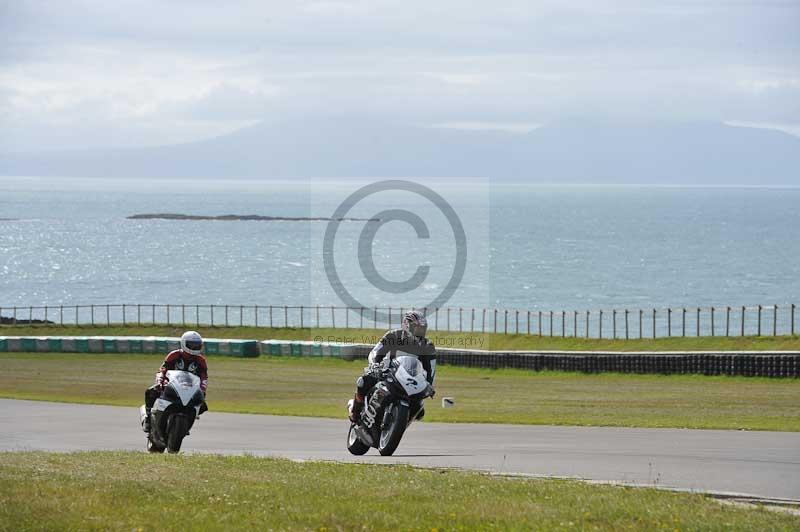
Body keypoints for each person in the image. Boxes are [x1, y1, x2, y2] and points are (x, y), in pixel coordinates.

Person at [349, 310, 436, 422]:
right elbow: (376, 352)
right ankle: (355, 412)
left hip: (409, 380)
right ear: (406, 326)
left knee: (419, 409)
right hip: (387, 373)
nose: (420, 332)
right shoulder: (393, 336)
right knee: (363, 382)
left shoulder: (427, 346)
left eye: (422, 329)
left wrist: (429, 385)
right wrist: (375, 365)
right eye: (417, 328)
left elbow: (431, 369)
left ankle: (398, 424)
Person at [143, 330, 208, 432]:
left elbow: (204, 377)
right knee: (151, 391)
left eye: (197, 345)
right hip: (171, 385)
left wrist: (202, 389)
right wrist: (160, 381)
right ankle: (148, 418)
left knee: (203, 405)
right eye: (191, 345)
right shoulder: (174, 355)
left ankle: (187, 422)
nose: (194, 348)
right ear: (183, 343)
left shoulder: (201, 361)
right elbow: (162, 370)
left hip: (190, 389)